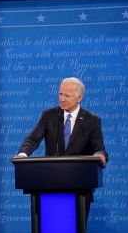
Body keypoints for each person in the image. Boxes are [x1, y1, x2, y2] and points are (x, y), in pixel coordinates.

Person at [14, 77, 108, 216]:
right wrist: (23, 154)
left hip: (80, 186)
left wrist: (100, 156)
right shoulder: (49, 116)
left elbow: (99, 149)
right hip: (50, 184)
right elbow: (33, 138)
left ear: (79, 97)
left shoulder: (92, 121)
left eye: (67, 95)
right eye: (60, 94)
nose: (62, 99)